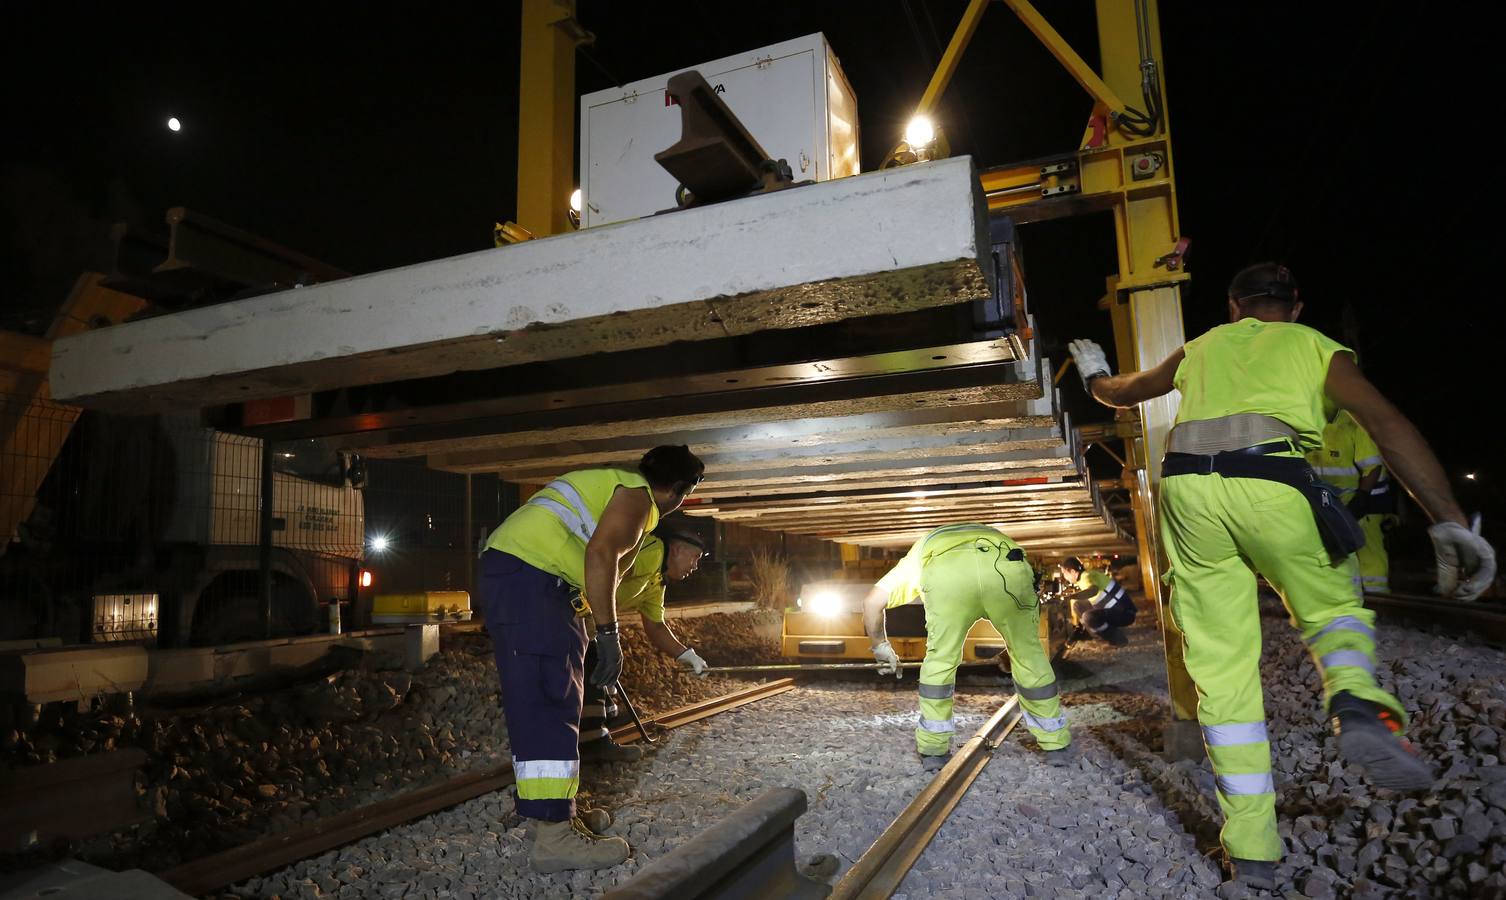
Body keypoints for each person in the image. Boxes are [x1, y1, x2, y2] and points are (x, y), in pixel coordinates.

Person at [1068, 262, 1496, 889]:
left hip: (1188, 494)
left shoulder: (1203, 345)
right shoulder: (1315, 345)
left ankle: (1251, 850)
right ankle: (1352, 694)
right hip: (1274, 483)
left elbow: (1124, 392)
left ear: (1234, 308)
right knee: (1331, 606)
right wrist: (1449, 519)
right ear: (1294, 309)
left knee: (1221, 664)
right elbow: (1387, 422)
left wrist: (1094, 373)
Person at [478, 445, 705, 873]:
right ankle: (553, 837)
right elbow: (600, 556)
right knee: (550, 703)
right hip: (533, 579)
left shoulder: (615, 486)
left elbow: (599, 567)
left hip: (531, 580)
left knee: (553, 697)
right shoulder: (637, 497)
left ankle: (553, 814)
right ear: (678, 489)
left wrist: (586, 621)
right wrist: (609, 633)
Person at [862, 523, 1071, 770]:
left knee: (940, 661)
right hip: (1005, 559)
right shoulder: (994, 536)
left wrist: (880, 646)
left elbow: (872, 602)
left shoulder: (918, 554)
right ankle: (1055, 745)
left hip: (948, 574)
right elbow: (1027, 614)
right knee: (1030, 655)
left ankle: (933, 750)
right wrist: (1015, 647)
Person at [579, 515, 713, 761]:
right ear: (677, 549)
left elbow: (655, 626)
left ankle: (607, 714)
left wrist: (686, 655)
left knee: (602, 653)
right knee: (595, 656)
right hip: (573, 606)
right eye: (694, 557)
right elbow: (606, 568)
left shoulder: (657, 580)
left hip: (588, 616)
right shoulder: (651, 551)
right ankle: (592, 739)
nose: (695, 566)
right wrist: (605, 627)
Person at [1309, 409, 1396, 592]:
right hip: (1323, 503)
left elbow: (1372, 467)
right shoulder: (1306, 419)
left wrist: (1361, 498)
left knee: (1368, 552)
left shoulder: (1354, 423)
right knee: (1332, 554)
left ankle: (1377, 596)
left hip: (1359, 501)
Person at [1057, 556, 1136, 645]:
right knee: (1078, 605)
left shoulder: (1086, 577)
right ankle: (1094, 634)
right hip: (1122, 611)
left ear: (1072, 571)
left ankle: (1116, 638)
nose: (1064, 576)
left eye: (1064, 573)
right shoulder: (1087, 575)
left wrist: (1070, 597)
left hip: (1125, 614)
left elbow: (1092, 591)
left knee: (1088, 617)